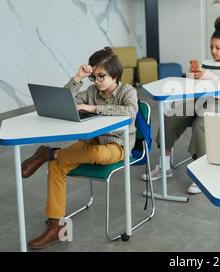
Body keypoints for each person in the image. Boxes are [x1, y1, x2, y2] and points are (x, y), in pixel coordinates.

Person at [21, 47, 138, 249]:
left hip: (117, 146)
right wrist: (78, 77)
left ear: (115, 75)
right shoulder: (92, 90)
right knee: (57, 166)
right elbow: (62, 99)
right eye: (94, 77)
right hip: (92, 142)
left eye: (102, 76)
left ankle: (48, 153)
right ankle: (56, 225)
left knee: (95, 154)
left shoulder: (128, 91)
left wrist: (94, 108)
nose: (97, 81)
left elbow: (130, 111)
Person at [142, 19, 220, 194]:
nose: (213, 51)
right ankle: (164, 166)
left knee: (200, 126)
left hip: (218, 102)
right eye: (211, 47)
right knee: (170, 117)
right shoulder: (205, 62)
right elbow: (192, 84)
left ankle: (201, 175)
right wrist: (193, 75)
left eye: (217, 47)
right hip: (197, 99)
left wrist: (208, 75)